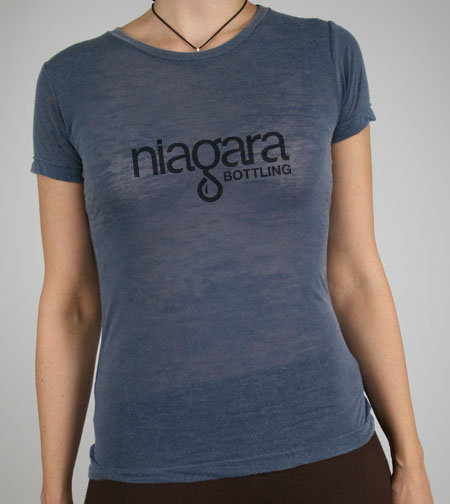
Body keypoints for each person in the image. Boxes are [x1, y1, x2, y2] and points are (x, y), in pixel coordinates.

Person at [30, 1, 434, 503]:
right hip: (146, 463)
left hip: (328, 455)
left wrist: (410, 458)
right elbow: (71, 303)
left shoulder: (325, 53)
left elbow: (355, 273)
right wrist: (53, 488)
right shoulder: (70, 80)